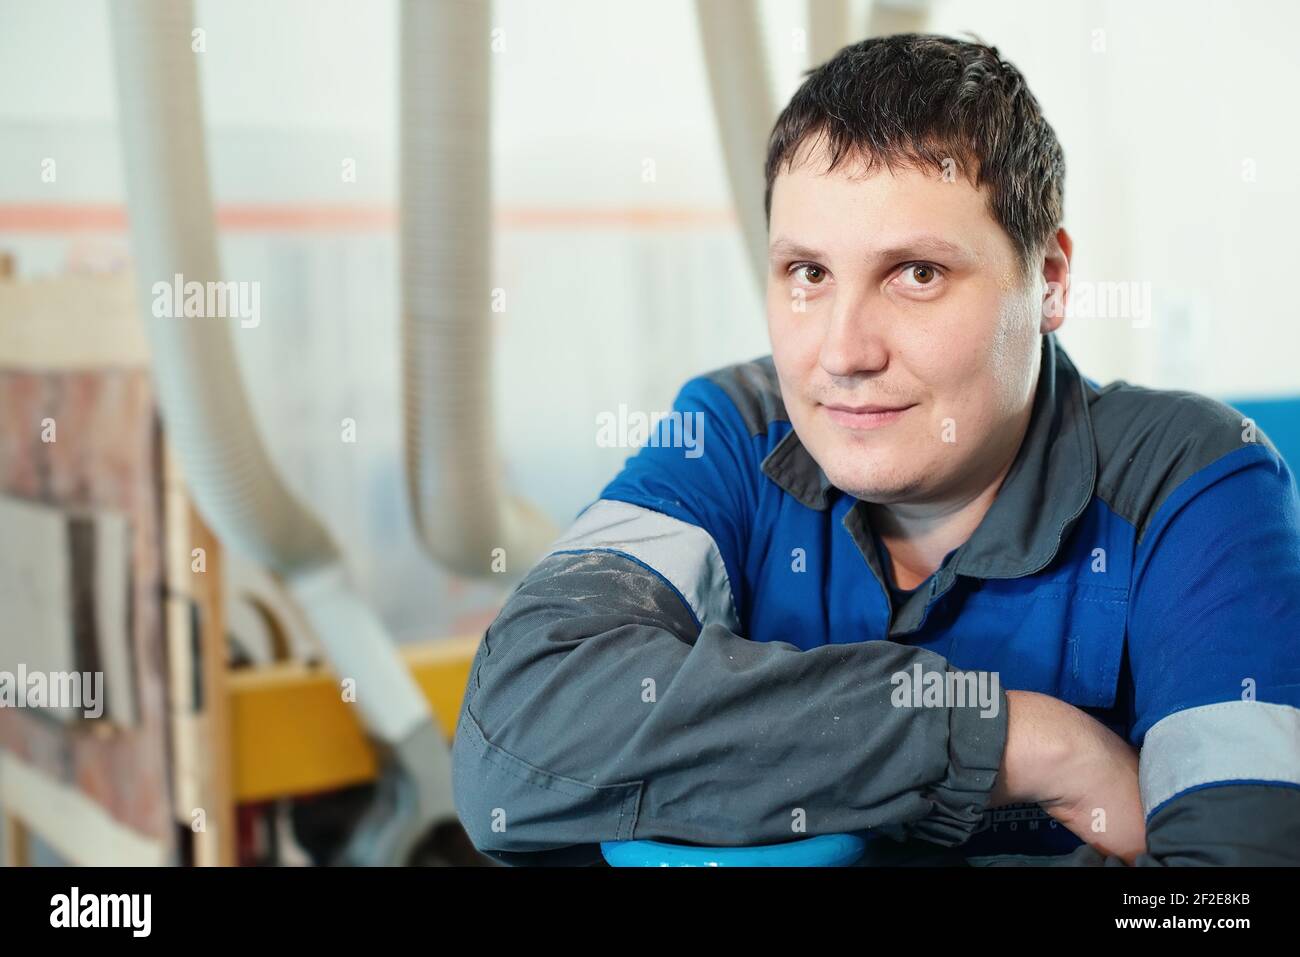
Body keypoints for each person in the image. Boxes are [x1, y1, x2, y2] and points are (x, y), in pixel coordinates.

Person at [452, 33, 1300, 866]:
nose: (844, 352)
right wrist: (1009, 740)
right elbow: (515, 728)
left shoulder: (1195, 479)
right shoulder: (731, 432)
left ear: (1049, 280)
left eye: (916, 273)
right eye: (808, 274)